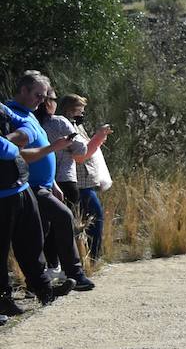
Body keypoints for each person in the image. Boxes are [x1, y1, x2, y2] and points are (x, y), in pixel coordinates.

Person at [6, 72, 94, 291]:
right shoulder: (10, 115)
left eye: (45, 97)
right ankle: (74, 274)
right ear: (23, 90)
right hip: (28, 188)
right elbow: (18, 153)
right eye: (37, 95)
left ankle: (40, 284)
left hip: (43, 186)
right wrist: (55, 147)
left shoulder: (30, 114)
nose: (41, 101)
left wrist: (52, 182)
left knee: (37, 237)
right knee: (63, 217)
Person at [1, 103, 73, 313]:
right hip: (2, 198)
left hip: (20, 188)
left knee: (32, 242)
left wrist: (15, 138)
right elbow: (8, 151)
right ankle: (3, 300)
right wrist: (17, 143)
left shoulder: (2, 108)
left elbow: (27, 127)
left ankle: (44, 290)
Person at [61, 94, 114, 261]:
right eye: (79, 110)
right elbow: (80, 156)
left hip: (86, 181)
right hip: (79, 183)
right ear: (69, 110)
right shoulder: (67, 127)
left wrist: (99, 138)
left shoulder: (78, 126)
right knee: (94, 219)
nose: (82, 114)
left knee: (88, 221)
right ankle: (93, 258)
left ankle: (90, 257)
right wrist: (98, 137)